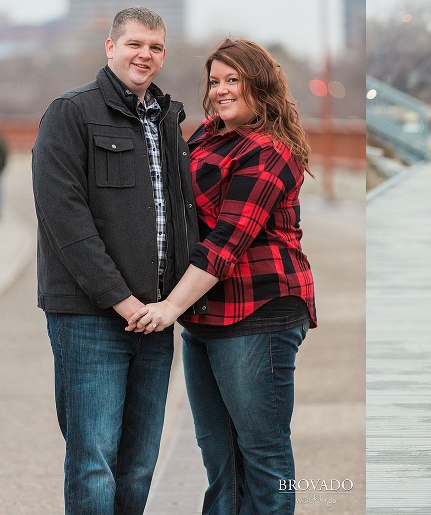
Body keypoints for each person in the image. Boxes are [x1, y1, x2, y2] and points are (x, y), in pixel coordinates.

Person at [127, 38, 317, 514]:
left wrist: (169, 305)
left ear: (261, 86)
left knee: (263, 455)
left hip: (259, 313)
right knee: (220, 460)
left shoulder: (270, 149)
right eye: (215, 81)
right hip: (206, 316)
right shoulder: (207, 137)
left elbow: (229, 239)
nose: (222, 90)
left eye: (234, 80)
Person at [32, 7, 199, 514]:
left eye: (155, 47)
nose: (144, 55)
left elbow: (181, 213)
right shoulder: (71, 113)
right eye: (134, 44)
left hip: (154, 318)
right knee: (93, 460)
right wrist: (123, 302)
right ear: (110, 47)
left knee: (139, 462)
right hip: (90, 318)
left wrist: (169, 304)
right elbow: (66, 222)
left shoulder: (168, 119)